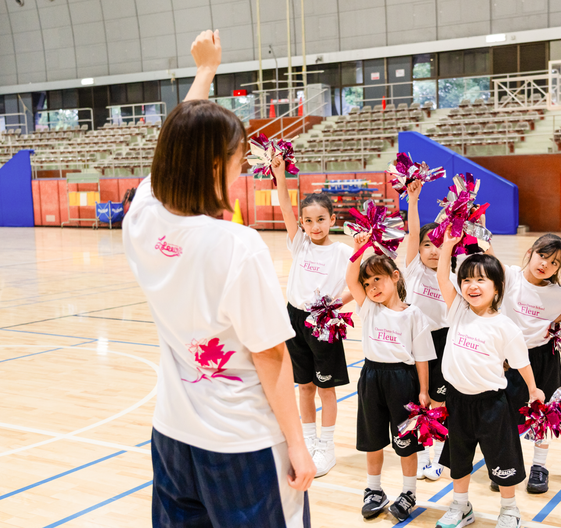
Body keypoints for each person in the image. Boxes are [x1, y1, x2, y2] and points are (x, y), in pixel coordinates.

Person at [123, 29, 315, 527]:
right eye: (238, 159)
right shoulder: (236, 246)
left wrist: (205, 70)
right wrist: (298, 444)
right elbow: (270, 356)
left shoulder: (141, 216)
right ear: (214, 165)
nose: (241, 169)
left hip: (171, 436)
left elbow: (175, 141)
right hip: (242, 443)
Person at [434, 233, 545, 528]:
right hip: (457, 402)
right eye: (467, 279)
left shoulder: (505, 326)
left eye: (481, 280)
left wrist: (533, 389)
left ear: (497, 287)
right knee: (458, 459)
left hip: (492, 405)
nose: (472, 286)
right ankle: (460, 507)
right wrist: (448, 245)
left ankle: (509, 510)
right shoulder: (458, 310)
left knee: (502, 458)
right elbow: (442, 277)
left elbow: (521, 362)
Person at [346, 233, 436, 522]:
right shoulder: (368, 308)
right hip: (371, 377)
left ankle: (408, 492)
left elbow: (422, 357)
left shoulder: (414, 314)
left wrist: (424, 391)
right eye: (367, 283)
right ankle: (374, 490)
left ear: (395, 276)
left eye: (377, 279)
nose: (372, 287)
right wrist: (358, 250)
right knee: (372, 439)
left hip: (402, 380)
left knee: (405, 442)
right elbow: (350, 280)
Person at [273, 160, 353, 478]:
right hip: (294, 319)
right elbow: (285, 207)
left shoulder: (343, 252)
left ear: (332, 219)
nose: (315, 226)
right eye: (308, 221)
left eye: (321, 219)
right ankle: (308, 441)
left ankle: (327, 447)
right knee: (304, 386)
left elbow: (358, 286)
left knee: (325, 388)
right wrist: (280, 175)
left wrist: (332, 306)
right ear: (302, 224)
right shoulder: (300, 243)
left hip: (324, 322)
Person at [495, 233, 561, 494]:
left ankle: (539, 466)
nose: (545, 264)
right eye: (542, 256)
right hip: (509, 359)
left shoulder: (558, 294)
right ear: (530, 252)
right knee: (506, 412)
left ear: (558, 269)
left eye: (554, 262)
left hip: (543, 357)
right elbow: (489, 256)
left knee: (545, 411)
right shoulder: (511, 276)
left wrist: (552, 321)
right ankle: (509, 463)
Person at [402, 179, 455, 481]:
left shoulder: (453, 274)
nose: (433, 250)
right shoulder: (413, 269)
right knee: (416, 399)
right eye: (427, 245)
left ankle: (442, 455)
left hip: (443, 340)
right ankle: (423, 456)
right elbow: (413, 231)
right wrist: (413, 201)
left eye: (439, 244)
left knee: (439, 401)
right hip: (414, 341)